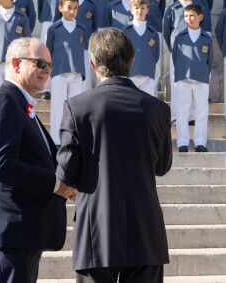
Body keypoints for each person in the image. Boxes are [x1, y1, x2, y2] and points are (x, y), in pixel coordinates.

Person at [56, 27, 172, 282]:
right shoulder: (158, 109)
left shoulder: (77, 107)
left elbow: (66, 171)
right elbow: (162, 166)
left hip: (97, 228)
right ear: (132, 61)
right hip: (146, 228)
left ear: (92, 63)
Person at [0, 37, 74, 283]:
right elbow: (2, 164)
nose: (47, 71)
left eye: (49, 66)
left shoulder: (20, 104)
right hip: (6, 232)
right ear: (15, 63)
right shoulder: (3, 101)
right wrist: (58, 185)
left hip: (20, 233)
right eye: (39, 63)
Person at [46, 0, 86, 145]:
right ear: (61, 8)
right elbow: (48, 52)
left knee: (76, 108)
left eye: (75, 8)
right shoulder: (53, 28)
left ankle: (74, 138)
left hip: (76, 74)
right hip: (59, 73)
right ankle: (56, 138)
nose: (72, 11)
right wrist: (48, 72)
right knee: (58, 107)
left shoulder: (82, 28)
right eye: (69, 8)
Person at [37, 0, 76, 99]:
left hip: (66, 20)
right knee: (45, 53)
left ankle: (61, 85)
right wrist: (44, 16)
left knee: (63, 52)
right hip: (49, 18)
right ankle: (43, 87)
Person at [172, 3, 213, 152]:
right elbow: (175, 56)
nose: (188, 19)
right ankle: (183, 143)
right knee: (182, 112)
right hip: (183, 78)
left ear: (200, 17)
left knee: (201, 112)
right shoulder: (180, 37)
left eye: (192, 16)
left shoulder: (206, 38)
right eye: (186, 16)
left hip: (201, 79)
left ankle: (200, 143)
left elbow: (210, 60)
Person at [55, 0, 98, 91]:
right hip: (65, 46)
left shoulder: (91, 4)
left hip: (84, 48)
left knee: (84, 80)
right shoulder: (63, 1)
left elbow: (93, 27)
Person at [164, 0, 198, 122]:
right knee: (177, 83)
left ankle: (191, 115)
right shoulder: (172, 8)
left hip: (194, 52)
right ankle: (176, 115)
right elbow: (167, 32)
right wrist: (173, 48)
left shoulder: (198, 9)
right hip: (178, 52)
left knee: (192, 82)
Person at [134, 0, 167, 95]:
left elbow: (161, 8)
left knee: (156, 62)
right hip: (137, 29)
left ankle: (152, 93)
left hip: (154, 29)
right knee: (136, 60)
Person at [124, 0, 160, 96]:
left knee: (147, 106)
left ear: (147, 10)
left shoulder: (153, 33)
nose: (139, 10)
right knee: (131, 104)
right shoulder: (125, 31)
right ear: (131, 10)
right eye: (136, 8)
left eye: (142, 8)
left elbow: (156, 55)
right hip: (130, 75)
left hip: (148, 75)